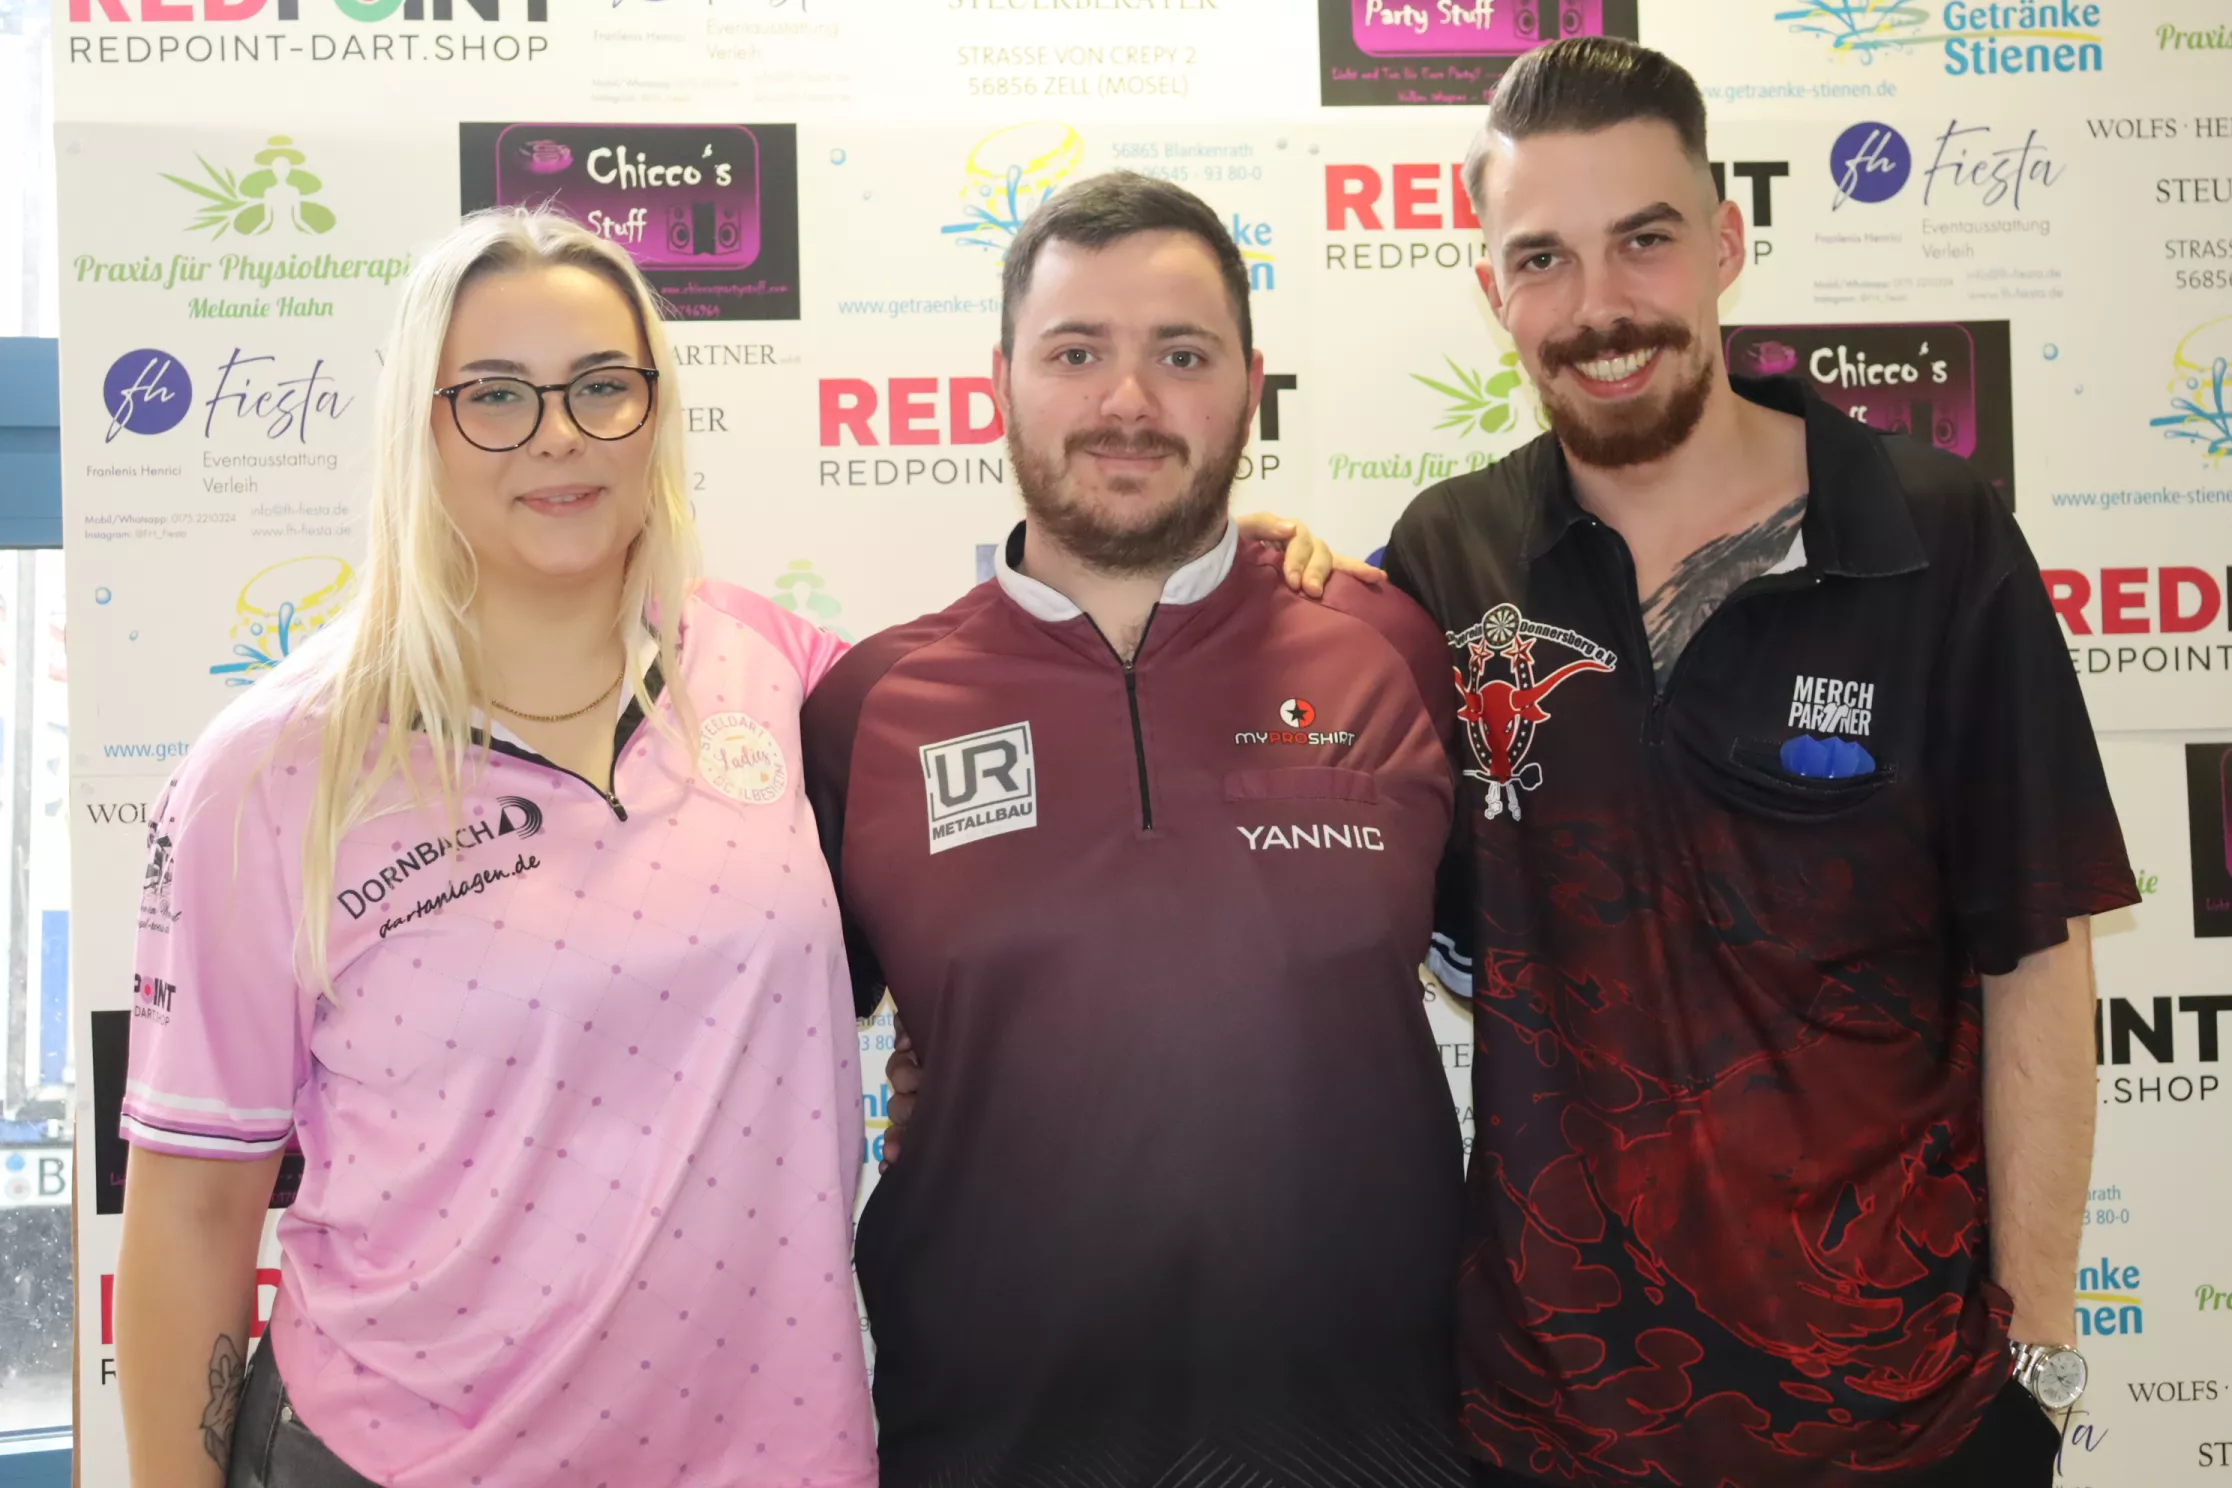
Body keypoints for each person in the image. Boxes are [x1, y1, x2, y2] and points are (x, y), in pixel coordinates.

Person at [113, 205, 1343, 1488]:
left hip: (775, 1457)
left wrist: (1211, 573)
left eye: (603, 386)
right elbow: (192, 1214)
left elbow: (1035, 698)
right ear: (418, 426)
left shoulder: (775, 669)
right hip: (395, 1458)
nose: (559, 435)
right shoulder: (273, 776)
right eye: (495, 395)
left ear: (657, 412)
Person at [1378, 37, 2138, 1488]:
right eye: (1541, 259)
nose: (1599, 308)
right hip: (1549, 1432)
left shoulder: (1935, 536)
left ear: (1725, 243)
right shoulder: (1448, 558)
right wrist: (1258, 574)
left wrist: (2037, 1358)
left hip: (1906, 1424)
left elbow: (2038, 959)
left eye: (1644, 240)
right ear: (1492, 291)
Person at [802, 171, 1473, 1487]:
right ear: (999, 383)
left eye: (1181, 354)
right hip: (994, 1445)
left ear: (1251, 386)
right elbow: (767, 1071)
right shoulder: (867, 709)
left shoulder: (1390, 648)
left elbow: (1538, 982)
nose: (1127, 401)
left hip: (1368, 1438)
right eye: (1075, 353)